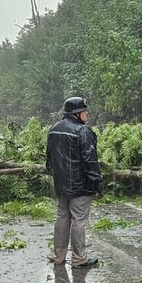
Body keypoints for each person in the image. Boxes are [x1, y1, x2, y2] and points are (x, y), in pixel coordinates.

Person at [46, 96, 103, 267]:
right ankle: (79, 258)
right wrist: (96, 183)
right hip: (80, 185)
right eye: (85, 111)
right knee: (78, 220)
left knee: (62, 217)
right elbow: (90, 160)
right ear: (77, 113)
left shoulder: (54, 129)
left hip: (61, 184)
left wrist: (55, 175)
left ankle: (59, 256)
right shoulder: (82, 131)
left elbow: (49, 159)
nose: (87, 114)